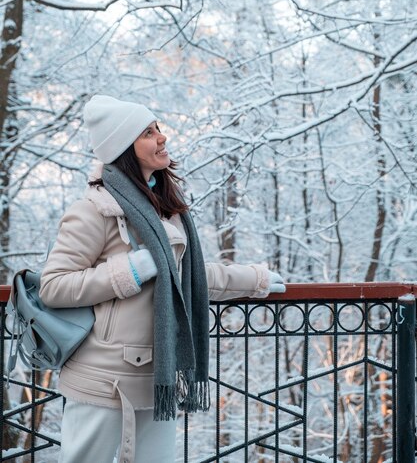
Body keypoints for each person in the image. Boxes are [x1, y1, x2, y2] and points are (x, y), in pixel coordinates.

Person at [39, 94, 285, 463]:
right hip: (104, 380)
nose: (161, 138)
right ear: (123, 148)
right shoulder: (94, 211)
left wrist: (252, 280)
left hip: (158, 375)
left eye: (158, 129)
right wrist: (132, 270)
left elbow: (186, 277)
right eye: (147, 133)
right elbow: (54, 286)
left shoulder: (164, 209)